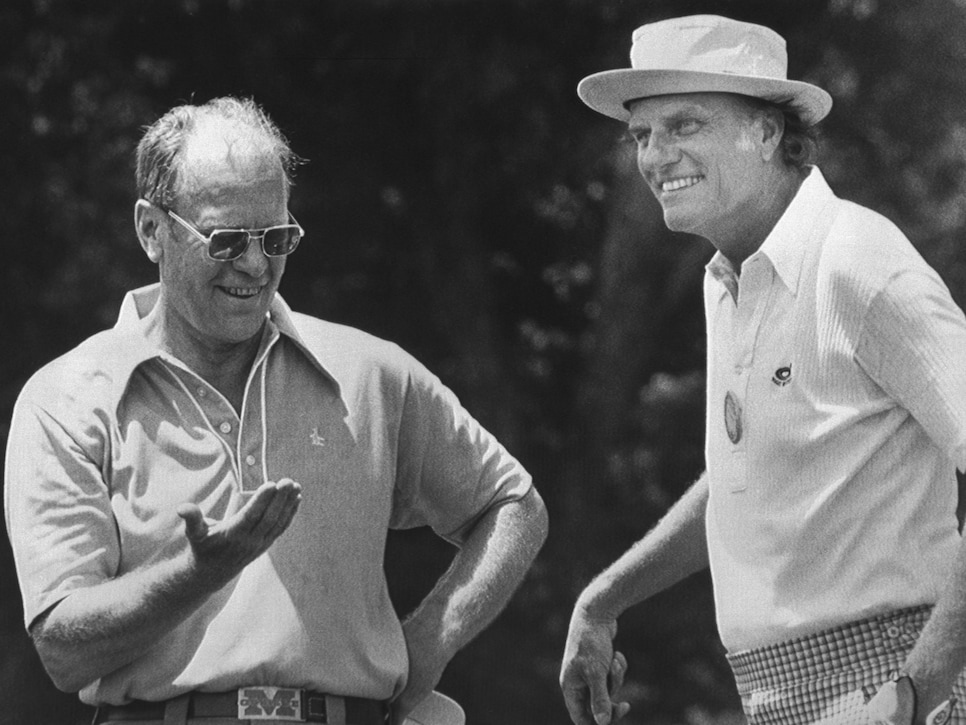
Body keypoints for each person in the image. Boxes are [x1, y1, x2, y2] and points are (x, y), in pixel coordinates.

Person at [4, 96, 548, 725]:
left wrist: (428, 642)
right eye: (226, 239)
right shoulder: (68, 398)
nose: (257, 265)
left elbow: (513, 505)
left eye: (276, 237)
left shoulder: (367, 372)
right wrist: (198, 572)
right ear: (151, 230)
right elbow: (63, 654)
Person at [559, 14, 966, 725]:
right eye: (642, 134)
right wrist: (604, 598)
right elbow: (747, 481)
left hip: (890, 687)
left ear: (770, 132)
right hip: (779, 695)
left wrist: (912, 691)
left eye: (685, 125)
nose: (656, 156)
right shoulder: (727, 277)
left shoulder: (857, 260)